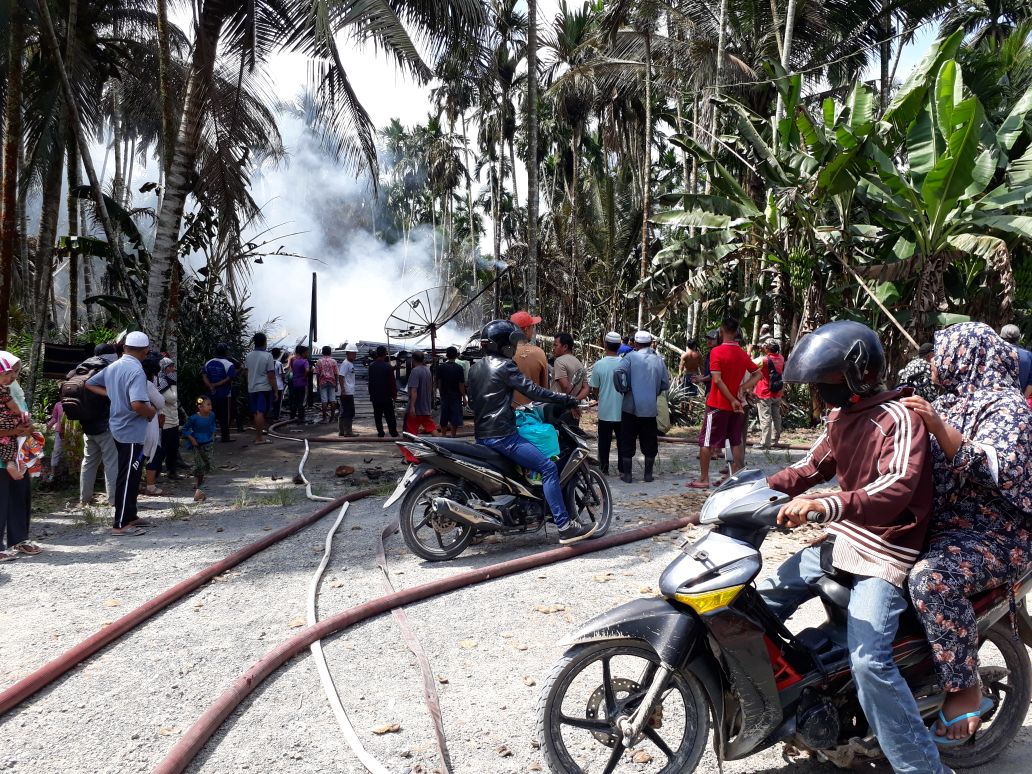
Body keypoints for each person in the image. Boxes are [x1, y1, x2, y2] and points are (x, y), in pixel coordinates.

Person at [757, 320, 948, 774]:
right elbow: (809, 467)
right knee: (759, 603)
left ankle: (923, 767)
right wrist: (750, 491)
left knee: (869, 662)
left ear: (860, 375)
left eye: (828, 383)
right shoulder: (841, 417)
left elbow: (895, 488)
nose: (823, 393)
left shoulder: (899, 420)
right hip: (844, 539)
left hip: (886, 552)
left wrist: (826, 505)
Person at [903, 322, 1032, 746]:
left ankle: (964, 687)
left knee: (931, 580)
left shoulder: (1006, 407)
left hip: (996, 534)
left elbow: (998, 469)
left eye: (941, 352)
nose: (934, 361)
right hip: (944, 528)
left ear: (966, 355)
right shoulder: (948, 402)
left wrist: (939, 427)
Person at [468, 320, 594, 544]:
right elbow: (534, 391)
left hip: (482, 435)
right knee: (547, 467)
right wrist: (567, 399)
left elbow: (474, 402)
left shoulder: (475, 368)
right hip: (504, 436)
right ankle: (564, 526)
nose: (514, 347)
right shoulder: (505, 366)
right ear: (503, 344)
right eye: (511, 342)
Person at [86, 331, 157, 535]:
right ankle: (120, 523)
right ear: (145, 351)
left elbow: (90, 383)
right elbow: (137, 404)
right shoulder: (136, 371)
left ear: (124, 348)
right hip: (131, 429)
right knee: (128, 475)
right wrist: (151, 412)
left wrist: (113, 395)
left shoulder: (114, 366)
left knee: (132, 473)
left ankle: (131, 515)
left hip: (117, 426)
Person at [688, 318, 761, 489]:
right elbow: (758, 374)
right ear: (736, 333)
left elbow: (717, 380)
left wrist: (731, 399)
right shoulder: (743, 354)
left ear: (721, 332)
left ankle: (704, 479)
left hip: (718, 404)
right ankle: (736, 477)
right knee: (735, 441)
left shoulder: (717, 352)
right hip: (737, 405)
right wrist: (742, 388)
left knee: (706, 442)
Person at [614, 331, 670, 483]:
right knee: (650, 440)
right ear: (651, 343)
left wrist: (623, 388)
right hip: (649, 408)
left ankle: (627, 474)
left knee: (627, 439)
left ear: (636, 344)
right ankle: (648, 474)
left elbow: (618, 371)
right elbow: (665, 383)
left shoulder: (630, 357)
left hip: (630, 407)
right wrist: (654, 390)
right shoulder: (658, 360)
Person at [0, 353, 35, 560]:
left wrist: (27, 427)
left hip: (18, 450)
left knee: (20, 494)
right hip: (5, 449)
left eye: (14, 371)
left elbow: (22, 412)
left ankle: (19, 539)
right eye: (8, 372)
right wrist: (14, 432)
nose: (12, 376)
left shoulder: (13, 389)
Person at [78, 343, 119, 506]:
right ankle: (114, 500)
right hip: (106, 424)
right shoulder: (108, 369)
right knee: (111, 462)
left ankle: (84, 499)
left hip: (87, 424)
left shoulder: (81, 368)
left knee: (88, 462)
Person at [588, 332, 625, 476]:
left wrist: (602, 397)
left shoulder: (599, 365)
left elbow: (595, 388)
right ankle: (623, 469)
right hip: (622, 410)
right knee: (622, 442)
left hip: (605, 410)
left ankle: (604, 469)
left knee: (604, 442)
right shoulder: (625, 363)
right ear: (619, 346)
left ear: (605, 345)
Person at [182, 396, 218, 501]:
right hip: (197, 444)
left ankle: (198, 481)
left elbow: (213, 425)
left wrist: (213, 434)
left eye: (210, 404)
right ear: (200, 407)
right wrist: (192, 439)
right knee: (200, 464)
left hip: (208, 443)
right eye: (207, 405)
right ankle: (199, 487)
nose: (210, 407)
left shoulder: (212, 415)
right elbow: (185, 429)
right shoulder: (193, 418)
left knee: (209, 465)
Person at [244, 332, 278, 444]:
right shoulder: (267, 356)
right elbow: (271, 375)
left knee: (256, 412)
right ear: (264, 342)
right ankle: (259, 438)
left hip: (252, 388)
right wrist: (276, 390)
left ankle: (258, 436)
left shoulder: (248, 356)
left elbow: (246, 372)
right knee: (260, 412)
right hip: (263, 388)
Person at [140, 354, 167, 496]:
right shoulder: (148, 384)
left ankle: (136, 484)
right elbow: (161, 402)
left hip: (134, 425)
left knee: (139, 455)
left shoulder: (133, 380)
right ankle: (150, 485)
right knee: (154, 452)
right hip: (149, 424)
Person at [510, 310, 549, 405]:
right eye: (532, 327)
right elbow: (544, 390)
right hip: (531, 415)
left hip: (506, 414)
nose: (533, 330)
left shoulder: (502, 353)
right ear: (526, 329)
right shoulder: (538, 353)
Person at [0, 360, 30, 480]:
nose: (13, 376)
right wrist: (19, 415)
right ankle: (10, 463)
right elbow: (13, 406)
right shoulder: (3, 390)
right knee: (9, 442)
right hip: (6, 422)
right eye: (9, 373)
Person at [754, 340, 785, 449]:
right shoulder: (781, 358)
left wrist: (755, 351)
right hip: (777, 392)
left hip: (765, 392)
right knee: (776, 417)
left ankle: (765, 443)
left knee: (765, 417)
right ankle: (774, 440)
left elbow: (749, 364)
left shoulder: (763, 360)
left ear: (767, 348)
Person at [203, 343, 236, 443]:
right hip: (225, 394)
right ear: (226, 352)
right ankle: (225, 437)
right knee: (224, 416)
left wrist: (210, 385)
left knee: (210, 415)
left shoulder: (208, 363)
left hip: (210, 394)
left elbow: (204, 376)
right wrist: (217, 384)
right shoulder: (229, 364)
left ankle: (209, 437)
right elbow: (229, 378)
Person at [368, 345, 398, 438]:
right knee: (390, 415)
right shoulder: (388, 367)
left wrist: (371, 393)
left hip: (375, 395)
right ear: (385, 354)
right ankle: (393, 432)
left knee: (378, 415)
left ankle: (380, 432)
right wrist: (394, 395)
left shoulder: (372, 366)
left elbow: (370, 381)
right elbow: (392, 382)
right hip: (386, 395)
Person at [405, 351, 437, 435]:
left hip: (417, 407)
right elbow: (431, 388)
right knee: (431, 427)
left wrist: (412, 407)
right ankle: (441, 443)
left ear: (413, 359)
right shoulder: (427, 370)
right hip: (425, 406)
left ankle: (409, 448)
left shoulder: (415, 371)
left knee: (410, 431)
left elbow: (414, 390)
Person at [437, 346, 466, 438]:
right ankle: (453, 436)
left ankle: (443, 435)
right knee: (455, 416)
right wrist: (464, 397)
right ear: (456, 355)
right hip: (456, 396)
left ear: (446, 355)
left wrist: (440, 393)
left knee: (444, 416)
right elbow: (461, 384)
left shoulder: (441, 367)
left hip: (444, 395)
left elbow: (439, 382)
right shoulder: (459, 368)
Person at [551, 333, 589, 400]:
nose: (553, 348)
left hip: (558, 405)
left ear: (565, 347)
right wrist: (575, 400)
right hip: (571, 406)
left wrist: (570, 402)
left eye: (555, 345)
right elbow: (586, 388)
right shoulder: (579, 364)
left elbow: (565, 386)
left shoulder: (559, 361)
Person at [999, 323, 1032, 399]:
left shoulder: (994, 351)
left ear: (1000, 336)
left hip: (991, 400)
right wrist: (1022, 401)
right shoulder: (1029, 356)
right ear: (1018, 338)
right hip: (1016, 402)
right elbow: (1031, 382)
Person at [337, 343, 358, 437]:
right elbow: (341, 377)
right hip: (347, 391)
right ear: (348, 353)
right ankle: (348, 431)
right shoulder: (346, 364)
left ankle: (342, 431)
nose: (355, 355)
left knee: (344, 411)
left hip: (348, 391)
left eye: (355, 353)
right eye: (353, 353)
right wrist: (343, 390)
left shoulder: (349, 363)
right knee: (349, 412)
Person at [315, 345, 339, 424]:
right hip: (332, 381)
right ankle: (332, 417)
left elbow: (317, 374)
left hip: (323, 382)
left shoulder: (319, 361)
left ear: (322, 352)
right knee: (332, 399)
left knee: (324, 400)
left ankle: (324, 418)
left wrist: (318, 384)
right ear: (330, 352)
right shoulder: (333, 361)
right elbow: (336, 373)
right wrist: (336, 384)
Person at [287, 345, 311, 424]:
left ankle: (292, 416)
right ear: (303, 353)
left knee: (295, 399)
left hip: (295, 382)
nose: (307, 354)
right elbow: (307, 370)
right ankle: (301, 417)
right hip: (302, 383)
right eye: (307, 352)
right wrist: (304, 376)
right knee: (302, 400)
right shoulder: (305, 361)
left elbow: (293, 370)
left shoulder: (295, 361)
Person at [270, 347, 286, 420]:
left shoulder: (268, 362)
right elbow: (282, 374)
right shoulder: (279, 363)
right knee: (278, 402)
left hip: (269, 385)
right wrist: (284, 380)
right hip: (279, 385)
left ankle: (269, 415)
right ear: (279, 354)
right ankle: (276, 417)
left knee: (270, 400)